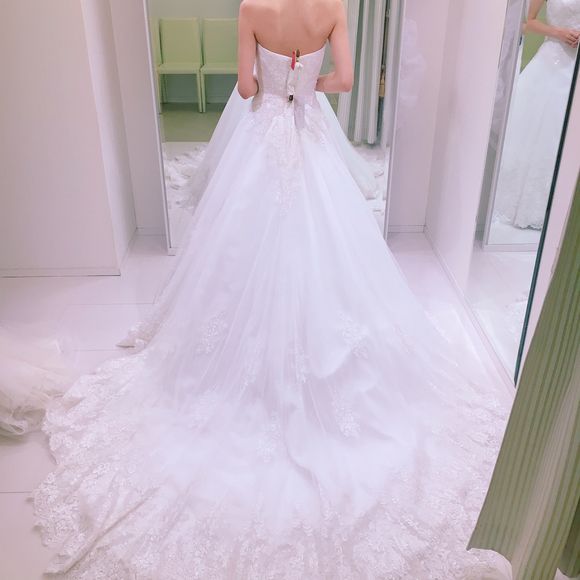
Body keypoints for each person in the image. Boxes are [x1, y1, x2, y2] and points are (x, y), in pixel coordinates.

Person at [32, 0, 512, 577]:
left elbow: (243, 87)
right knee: (330, 246)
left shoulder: (252, 8)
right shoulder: (332, 9)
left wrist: (272, 84)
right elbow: (346, 80)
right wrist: (305, 86)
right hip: (309, 132)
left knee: (237, 246)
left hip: (262, 139)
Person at [493, 0, 580, 230]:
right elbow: (526, 22)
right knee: (537, 127)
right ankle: (525, 204)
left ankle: (562, 215)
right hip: (552, 59)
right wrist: (558, 32)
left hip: (576, 66)